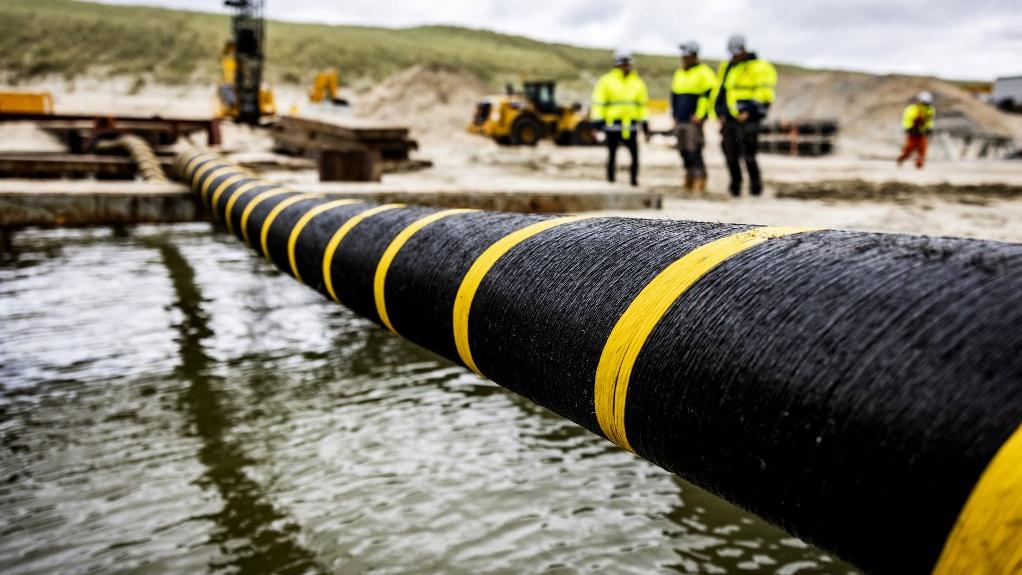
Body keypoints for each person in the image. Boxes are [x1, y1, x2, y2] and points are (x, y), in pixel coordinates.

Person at [710, 34, 777, 197]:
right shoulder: (729, 66)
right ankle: (735, 187)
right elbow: (722, 91)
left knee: (748, 155)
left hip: (749, 119)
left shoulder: (760, 67)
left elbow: (764, 93)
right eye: (732, 53)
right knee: (730, 155)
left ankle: (755, 188)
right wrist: (719, 112)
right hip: (730, 118)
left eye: (736, 52)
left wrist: (749, 110)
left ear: (743, 49)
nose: (734, 55)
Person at [591, 49, 650, 186]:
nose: (625, 66)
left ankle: (634, 180)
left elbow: (642, 106)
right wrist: (597, 122)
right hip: (613, 125)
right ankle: (611, 180)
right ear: (617, 64)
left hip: (631, 125)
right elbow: (599, 103)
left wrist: (645, 123)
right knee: (612, 154)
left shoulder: (638, 82)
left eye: (627, 63)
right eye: (622, 63)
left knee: (635, 155)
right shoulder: (606, 81)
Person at [671, 41, 717, 193]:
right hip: (681, 119)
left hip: (694, 121)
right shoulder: (679, 73)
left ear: (694, 55)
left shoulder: (705, 73)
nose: (684, 59)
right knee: (683, 150)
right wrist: (675, 115)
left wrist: (701, 115)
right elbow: (675, 96)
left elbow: (709, 96)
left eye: (687, 56)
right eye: (683, 56)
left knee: (694, 150)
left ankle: (700, 178)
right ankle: (689, 176)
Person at [897, 91, 936, 169]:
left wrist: (930, 128)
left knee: (922, 148)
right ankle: (901, 159)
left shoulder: (930, 109)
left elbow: (930, 121)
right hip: (913, 132)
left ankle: (919, 164)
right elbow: (906, 119)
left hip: (922, 132)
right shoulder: (912, 109)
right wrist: (909, 128)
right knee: (909, 148)